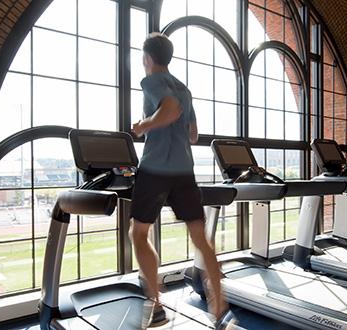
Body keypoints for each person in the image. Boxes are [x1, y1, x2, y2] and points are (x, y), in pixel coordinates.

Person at [130, 33, 232, 329]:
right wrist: (167, 120)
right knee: (202, 240)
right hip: (184, 171)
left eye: (143, 57)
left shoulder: (150, 81)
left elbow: (171, 110)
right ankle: (219, 307)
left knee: (138, 233)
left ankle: (156, 305)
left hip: (154, 170)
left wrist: (143, 127)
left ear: (148, 59)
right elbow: (193, 133)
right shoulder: (184, 88)